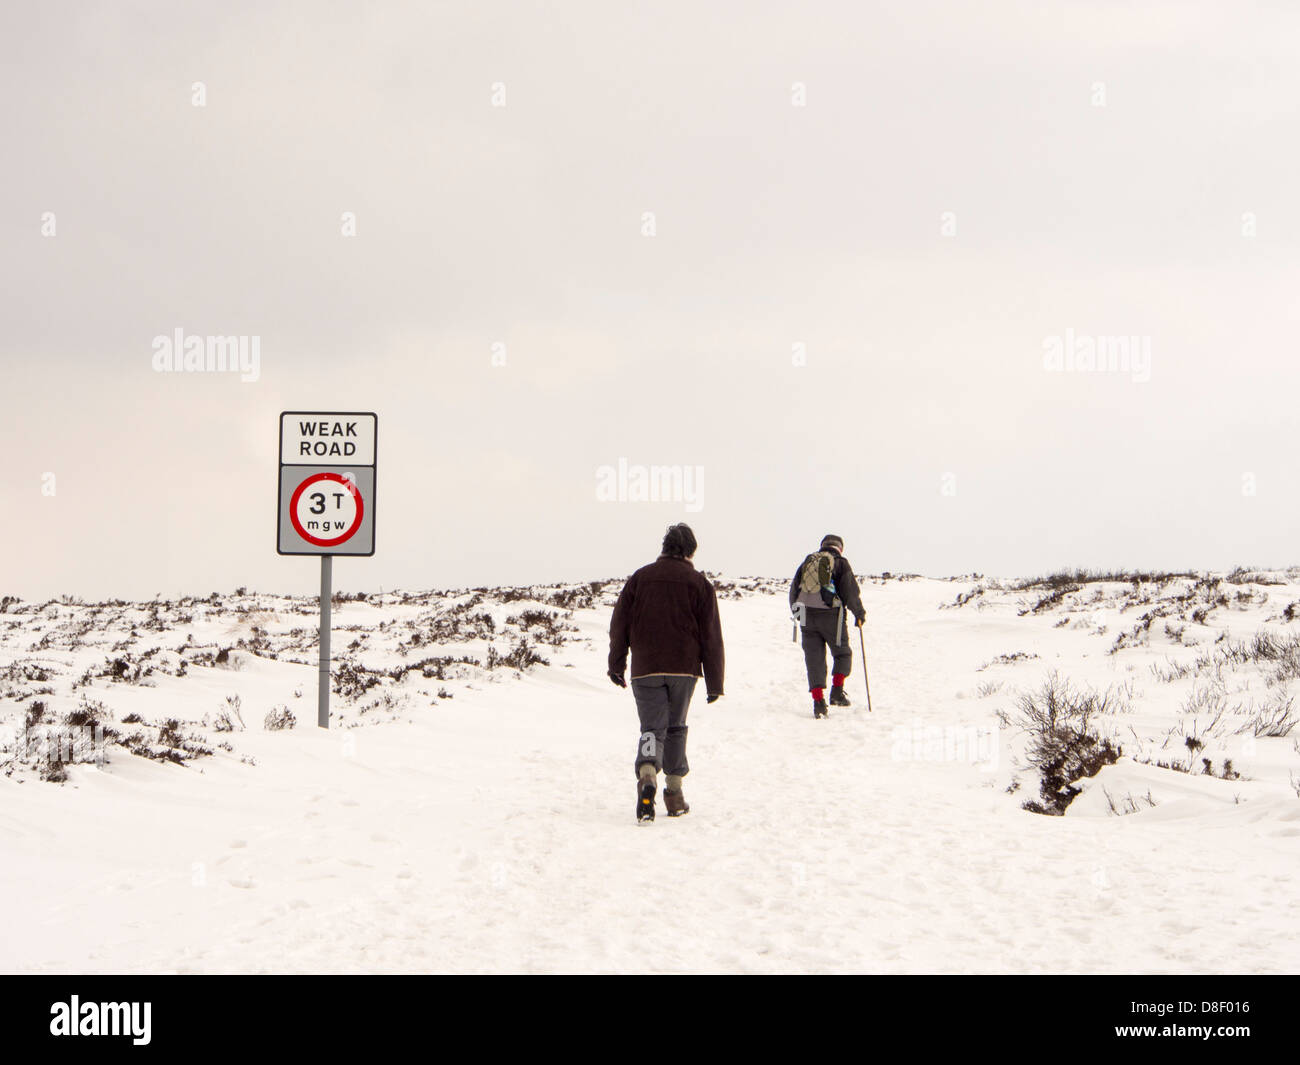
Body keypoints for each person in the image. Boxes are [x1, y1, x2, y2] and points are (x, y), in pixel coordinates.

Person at [608, 523, 725, 823]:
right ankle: (674, 795)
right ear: (690, 551)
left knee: (651, 728)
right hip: (684, 670)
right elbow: (711, 636)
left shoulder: (640, 578)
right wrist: (715, 681)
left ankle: (647, 775)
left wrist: (616, 664)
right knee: (676, 727)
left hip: (645, 667)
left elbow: (619, 624)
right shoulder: (699, 584)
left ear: (664, 546)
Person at [789, 534, 866, 718]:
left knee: (814, 659)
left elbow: (793, 591)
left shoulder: (808, 562)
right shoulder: (840, 563)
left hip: (807, 616)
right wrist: (859, 614)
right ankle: (837, 693)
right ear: (840, 547)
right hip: (832, 617)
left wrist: (799, 616)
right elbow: (850, 592)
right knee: (842, 653)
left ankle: (818, 703)